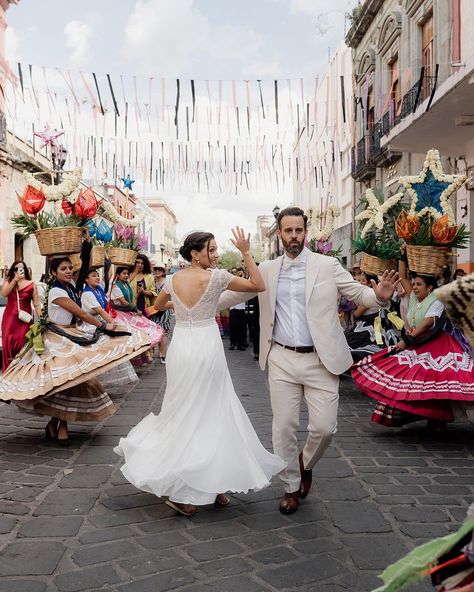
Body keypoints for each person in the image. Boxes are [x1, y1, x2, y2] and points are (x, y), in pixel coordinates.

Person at [218, 206, 398, 514]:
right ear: (279, 233)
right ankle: (289, 487)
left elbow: (359, 294)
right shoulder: (269, 269)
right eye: (288, 231)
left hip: (321, 359)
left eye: (298, 230)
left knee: (325, 428)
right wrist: (194, 305)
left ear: (306, 232)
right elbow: (234, 296)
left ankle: (305, 462)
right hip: (281, 359)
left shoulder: (327, 266)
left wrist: (379, 295)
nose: (293, 236)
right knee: (284, 428)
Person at [114, 228, 285, 517]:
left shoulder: (171, 279)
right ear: (196, 253)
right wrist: (245, 251)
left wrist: (180, 307)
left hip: (182, 344)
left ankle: (210, 481)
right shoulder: (217, 278)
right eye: (212, 250)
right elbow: (258, 284)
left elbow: (157, 306)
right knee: (209, 410)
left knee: (186, 409)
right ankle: (183, 490)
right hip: (206, 344)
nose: (216, 255)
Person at [0, 254, 150, 445]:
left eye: (70, 268)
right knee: (66, 381)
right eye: (63, 269)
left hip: (71, 334)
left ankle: (55, 424)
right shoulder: (56, 291)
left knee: (73, 381)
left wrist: (87, 247)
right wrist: (102, 326)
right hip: (56, 337)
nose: (69, 271)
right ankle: (61, 426)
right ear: (53, 272)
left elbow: (83, 276)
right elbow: (78, 312)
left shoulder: (70, 287)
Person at [352, 247, 474, 429]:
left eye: (419, 284)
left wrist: (406, 341)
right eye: (414, 284)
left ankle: (437, 419)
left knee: (434, 379)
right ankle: (426, 416)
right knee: (413, 379)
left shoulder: (436, 300)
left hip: (437, 344)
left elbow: (426, 324)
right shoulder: (415, 298)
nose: (415, 287)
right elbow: (402, 277)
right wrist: (403, 255)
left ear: (430, 287)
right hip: (418, 343)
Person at [81, 269, 139, 394]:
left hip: (102, 322)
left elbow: (104, 307)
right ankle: (95, 386)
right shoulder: (87, 294)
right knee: (102, 353)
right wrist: (111, 323)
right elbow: (100, 311)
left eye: (97, 275)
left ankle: (101, 386)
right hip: (91, 326)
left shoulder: (98, 290)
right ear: (86, 279)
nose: (97, 278)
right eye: (93, 276)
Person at [344, 270, 401, 362]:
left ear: (371, 284)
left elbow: (356, 315)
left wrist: (354, 307)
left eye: (363, 281)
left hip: (372, 328)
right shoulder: (371, 296)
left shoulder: (370, 298)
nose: (360, 283)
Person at [109, 266, 163, 363]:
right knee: (132, 336)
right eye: (123, 273)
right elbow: (124, 302)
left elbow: (130, 299)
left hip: (127, 313)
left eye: (127, 274)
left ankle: (142, 358)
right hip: (120, 315)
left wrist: (139, 293)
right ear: (117, 275)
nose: (126, 276)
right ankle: (135, 359)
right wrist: (135, 309)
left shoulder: (126, 284)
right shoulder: (116, 287)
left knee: (139, 333)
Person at [1, 260, 41, 371]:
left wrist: (42, 319)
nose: (19, 270)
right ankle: (8, 372)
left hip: (26, 320)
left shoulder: (31, 284)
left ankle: (22, 371)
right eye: (16, 269)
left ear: (26, 270)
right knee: (8, 344)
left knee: (23, 344)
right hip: (9, 320)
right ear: (13, 271)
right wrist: (14, 280)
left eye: (21, 268)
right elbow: (4, 293)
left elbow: (37, 304)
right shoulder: (8, 281)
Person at [149, 265, 171, 364]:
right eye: (156, 269)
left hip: (164, 309)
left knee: (163, 331)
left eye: (160, 270)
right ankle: (152, 353)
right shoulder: (151, 280)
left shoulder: (167, 281)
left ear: (163, 271)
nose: (157, 271)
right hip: (152, 309)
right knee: (153, 330)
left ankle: (163, 354)